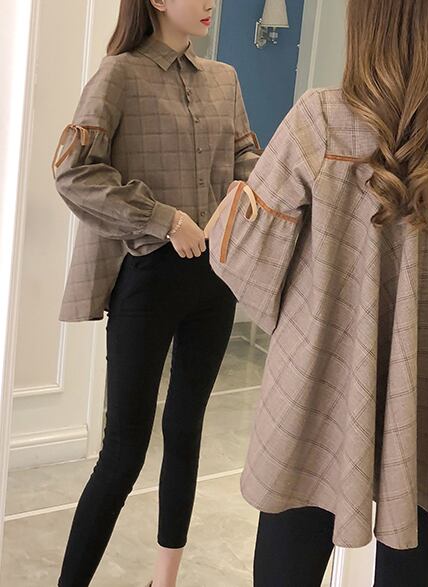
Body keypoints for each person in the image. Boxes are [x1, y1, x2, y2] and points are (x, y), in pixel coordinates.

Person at [204, 0, 428, 585]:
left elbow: (242, 257)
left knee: (293, 531)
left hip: (322, 376)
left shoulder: (319, 118)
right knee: (418, 529)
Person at [52, 1, 259, 585]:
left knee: (186, 431)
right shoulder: (120, 74)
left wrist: (242, 189)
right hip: (147, 278)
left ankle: (163, 581)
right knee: (123, 449)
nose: (211, 3)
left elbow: (246, 156)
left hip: (215, 282)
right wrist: (165, 219)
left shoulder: (224, 78)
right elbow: (74, 172)